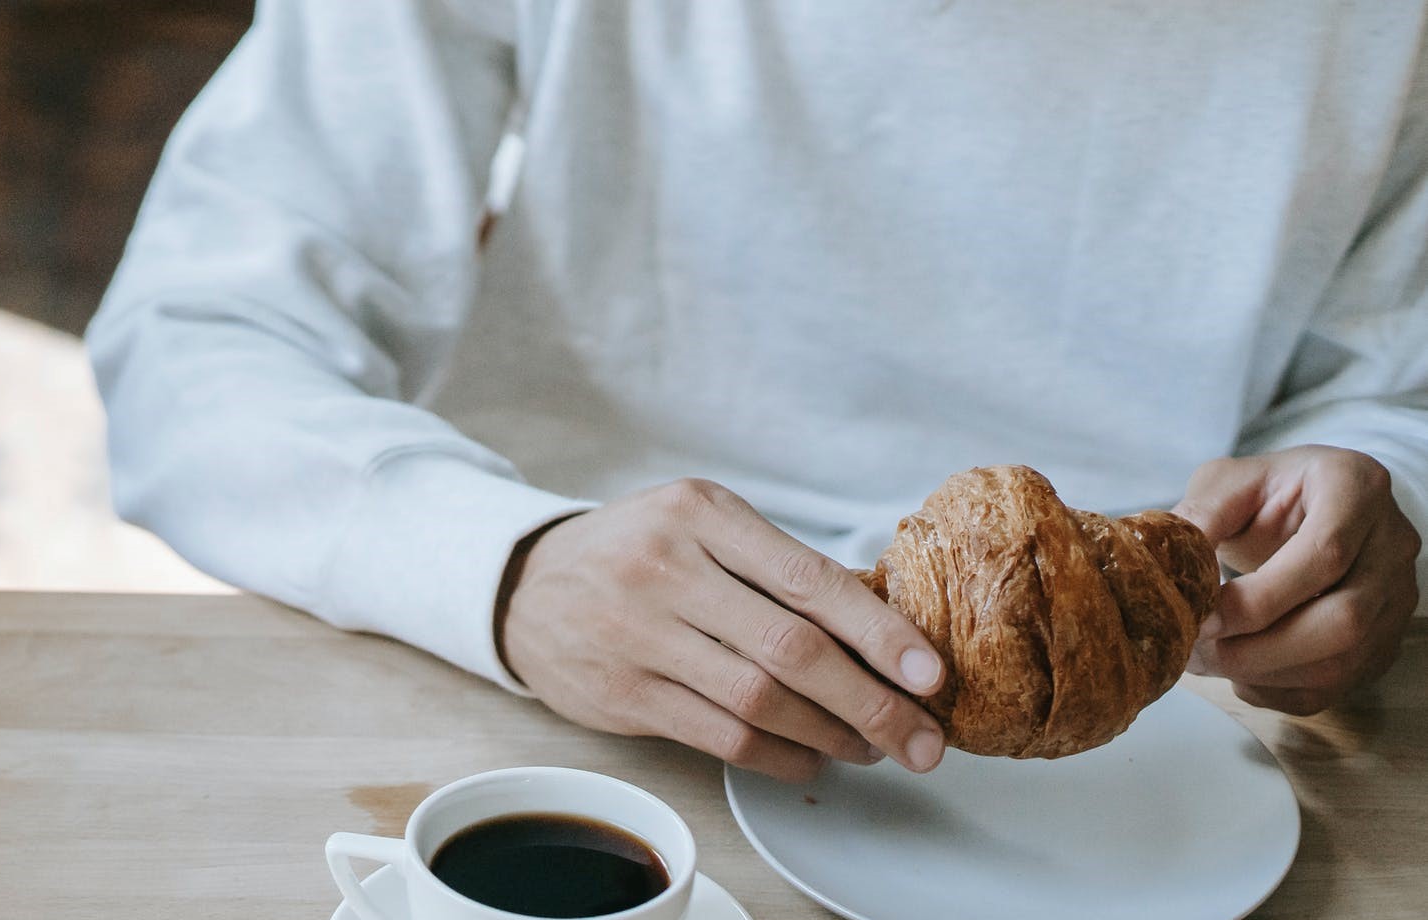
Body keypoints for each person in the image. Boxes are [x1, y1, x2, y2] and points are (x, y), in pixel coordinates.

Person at [91, 2, 1426, 782]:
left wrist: (1380, 503)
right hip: (546, 697)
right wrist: (507, 569)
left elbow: (1397, 391)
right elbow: (196, 329)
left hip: (1170, 768)